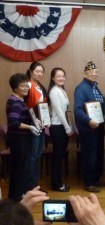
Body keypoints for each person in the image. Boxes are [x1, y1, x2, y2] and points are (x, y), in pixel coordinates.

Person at [6, 73, 40, 202]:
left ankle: (16, 197)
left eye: (27, 86)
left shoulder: (20, 100)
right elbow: (13, 122)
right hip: (18, 140)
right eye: (23, 86)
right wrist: (31, 127)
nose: (26, 88)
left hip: (21, 139)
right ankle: (17, 198)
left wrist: (35, 123)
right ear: (15, 88)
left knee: (20, 169)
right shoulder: (15, 102)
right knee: (19, 169)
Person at [74, 61, 105, 193]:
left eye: (96, 73)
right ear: (85, 74)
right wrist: (88, 120)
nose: (94, 75)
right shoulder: (81, 88)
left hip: (99, 127)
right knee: (90, 155)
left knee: (98, 154)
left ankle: (95, 179)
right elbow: (77, 109)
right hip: (88, 129)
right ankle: (89, 182)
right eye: (91, 73)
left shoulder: (95, 87)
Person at [48, 67, 73, 192]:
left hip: (62, 126)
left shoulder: (61, 90)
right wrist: (67, 127)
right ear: (53, 78)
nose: (61, 78)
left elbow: (66, 111)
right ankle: (56, 184)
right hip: (58, 127)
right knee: (58, 156)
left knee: (60, 155)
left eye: (63, 76)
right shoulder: (54, 91)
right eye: (58, 76)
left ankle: (58, 182)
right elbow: (58, 111)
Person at [26, 62, 48, 190]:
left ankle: (35, 185)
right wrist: (35, 120)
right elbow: (27, 108)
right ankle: (30, 186)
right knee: (32, 156)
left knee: (38, 155)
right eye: (37, 71)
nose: (40, 74)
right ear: (31, 71)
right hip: (32, 125)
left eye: (41, 72)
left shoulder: (40, 87)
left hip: (41, 125)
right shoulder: (28, 85)